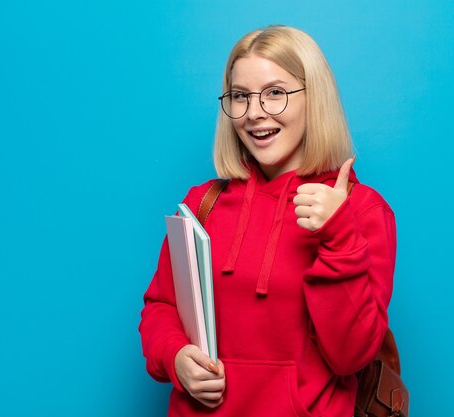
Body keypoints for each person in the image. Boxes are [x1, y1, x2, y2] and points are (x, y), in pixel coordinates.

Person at [139, 25, 396, 417]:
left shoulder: (359, 210)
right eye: (240, 96)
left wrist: (338, 235)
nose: (254, 112)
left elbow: (351, 357)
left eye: (275, 93)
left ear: (315, 98)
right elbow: (160, 307)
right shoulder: (201, 204)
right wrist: (174, 357)